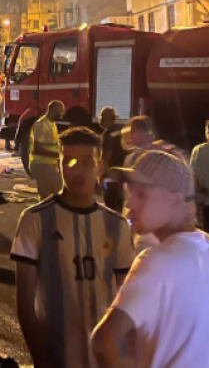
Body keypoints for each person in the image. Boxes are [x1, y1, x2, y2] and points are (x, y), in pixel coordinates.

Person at [91, 150, 209, 368]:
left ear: (175, 199)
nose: (129, 203)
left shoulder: (156, 260)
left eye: (141, 194)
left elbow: (105, 341)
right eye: (130, 192)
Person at [12, 127, 133, 368]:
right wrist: (40, 358)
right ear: (59, 165)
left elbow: (126, 299)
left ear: (99, 167)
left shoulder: (117, 226)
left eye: (87, 162)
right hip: (56, 354)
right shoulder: (35, 219)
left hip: (105, 357)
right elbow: (25, 305)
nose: (77, 169)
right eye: (70, 161)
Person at [30, 101, 65, 200]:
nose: (63, 114)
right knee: (47, 197)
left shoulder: (52, 124)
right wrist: (57, 155)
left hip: (49, 165)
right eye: (61, 111)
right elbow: (36, 149)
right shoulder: (41, 125)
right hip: (41, 165)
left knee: (57, 193)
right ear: (53, 110)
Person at [98, 107, 126, 212]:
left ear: (105, 118)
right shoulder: (121, 130)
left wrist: (102, 172)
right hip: (122, 169)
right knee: (119, 200)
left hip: (111, 170)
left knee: (110, 201)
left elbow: (107, 153)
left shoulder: (107, 133)